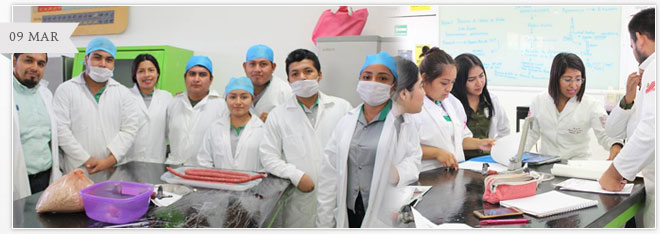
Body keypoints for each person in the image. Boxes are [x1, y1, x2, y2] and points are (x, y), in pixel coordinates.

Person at [316, 52, 423, 228]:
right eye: (367, 77)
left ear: (393, 85)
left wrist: (397, 173)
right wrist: (324, 224)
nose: (373, 83)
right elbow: (329, 175)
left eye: (382, 78)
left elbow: (414, 160)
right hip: (349, 213)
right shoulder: (346, 121)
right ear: (359, 80)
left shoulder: (403, 122)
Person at [259, 48, 352, 227]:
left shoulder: (342, 108)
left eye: (308, 71)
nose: (302, 77)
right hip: (298, 200)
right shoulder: (278, 115)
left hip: (336, 196)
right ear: (289, 81)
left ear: (319, 75)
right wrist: (296, 175)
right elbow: (268, 157)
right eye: (295, 74)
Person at [600, 8, 655, 228]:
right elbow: (615, 131)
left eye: (631, 44)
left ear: (640, 38)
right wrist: (628, 99)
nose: (633, 49)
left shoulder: (654, 66)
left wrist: (615, 172)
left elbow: (653, 128)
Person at [53, 37, 140, 174]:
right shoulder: (66, 90)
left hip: (112, 169)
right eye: (97, 58)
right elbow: (61, 130)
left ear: (113, 64)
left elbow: (129, 130)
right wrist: (86, 159)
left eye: (109, 60)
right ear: (86, 59)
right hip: (78, 170)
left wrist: (109, 161)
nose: (103, 64)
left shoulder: (123, 93)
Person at [524, 53, 622, 160]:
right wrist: (518, 157)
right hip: (546, 164)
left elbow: (605, 134)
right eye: (567, 79)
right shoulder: (539, 101)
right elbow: (530, 134)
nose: (574, 85)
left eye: (578, 79)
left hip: (577, 166)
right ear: (555, 78)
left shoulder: (591, 104)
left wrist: (615, 145)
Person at [411, 48, 495, 171]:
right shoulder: (412, 107)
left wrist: (480, 143)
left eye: (452, 82)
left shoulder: (452, 102)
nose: (449, 88)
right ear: (424, 78)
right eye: (444, 83)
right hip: (425, 174)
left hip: (453, 172)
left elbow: (459, 140)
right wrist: (436, 153)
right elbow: (403, 148)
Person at [12, 53, 62, 199]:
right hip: (15, 179)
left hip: (46, 179)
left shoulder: (46, 94)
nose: (35, 67)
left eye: (40, 64)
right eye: (29, 60)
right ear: (14, 61)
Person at [166, 55, 227, 166]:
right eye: (192, 74)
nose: (196, 79)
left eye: (202, 75)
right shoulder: (173, 103)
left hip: (204, 170)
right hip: (174, 168)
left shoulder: (222, 106)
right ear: (185, 77)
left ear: (211, 79)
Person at [197, 76, 264, 171]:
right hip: (219, 185)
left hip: (253, 184)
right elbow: (204, 160)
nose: (238, 102)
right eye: (232, 97)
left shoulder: (262, 129)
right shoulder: (215, 127)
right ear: (226, 99)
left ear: (252, 99)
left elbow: (267, 164)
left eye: (244, 97)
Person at [452, 53, 510, 159]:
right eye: (471, 79)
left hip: (488, 160)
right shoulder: (452, 104)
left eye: (481, 76)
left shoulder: (491, 100)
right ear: (460, 81)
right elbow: (453, 139)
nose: (479, 83)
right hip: (461, 161)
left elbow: (505, 130)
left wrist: (496, 149)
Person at [127, 54, 173, 163]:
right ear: (135, 75)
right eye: (141, 71)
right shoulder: (125, 96)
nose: (147, 75)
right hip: (128, 160)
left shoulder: (167, 97)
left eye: (151, 70)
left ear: (157, 73)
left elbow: (171, 130)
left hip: (156, 160)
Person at [243, 44, 293, 122]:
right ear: (245, 67)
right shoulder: (233, 91)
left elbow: (294, 124)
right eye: (252, 64)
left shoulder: (286, 91)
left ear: (273, 67)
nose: (257, 69)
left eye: (263, 64)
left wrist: (273, 122)